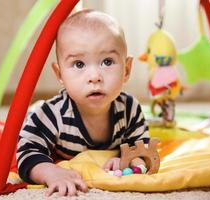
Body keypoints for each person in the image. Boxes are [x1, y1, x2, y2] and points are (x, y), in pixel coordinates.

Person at [16, 9, 150, 197]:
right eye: (79, 64)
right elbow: (27, 153)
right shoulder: (50, 115)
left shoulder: (130, 109)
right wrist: (50, 172)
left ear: (126, 70)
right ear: (60, 74)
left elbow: (141, 147)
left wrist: (129, 159)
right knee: (26, 123)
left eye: (107, 62)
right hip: (36, 116)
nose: (94, 77)